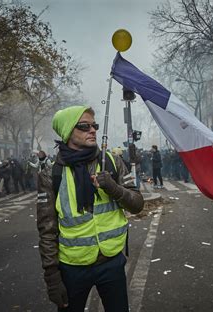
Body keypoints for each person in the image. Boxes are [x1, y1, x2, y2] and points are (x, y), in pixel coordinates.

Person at [36, 106, 144, 311]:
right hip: (72, 269)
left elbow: (138, 204)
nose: (92, 130)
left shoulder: (112, 162)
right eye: (84, 126)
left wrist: (114, 188)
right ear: (68, 131)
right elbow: (46, 228)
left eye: (94, 125)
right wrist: (51, 276)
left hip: (111, 262)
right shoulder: (51, 174)